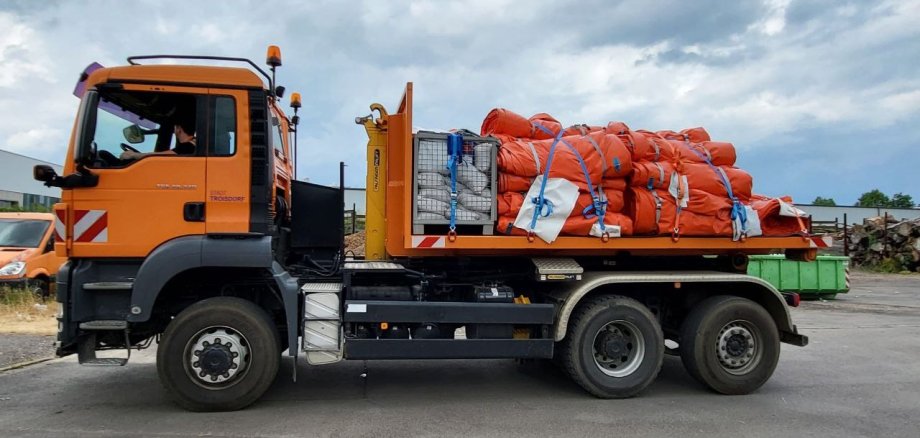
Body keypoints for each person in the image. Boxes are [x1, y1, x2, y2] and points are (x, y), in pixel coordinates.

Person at [119, 116, 196, 160]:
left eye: (175, 127)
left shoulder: (189, 147)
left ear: (179, 129)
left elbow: (158, 156)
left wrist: (133, 155)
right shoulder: (190, 145)